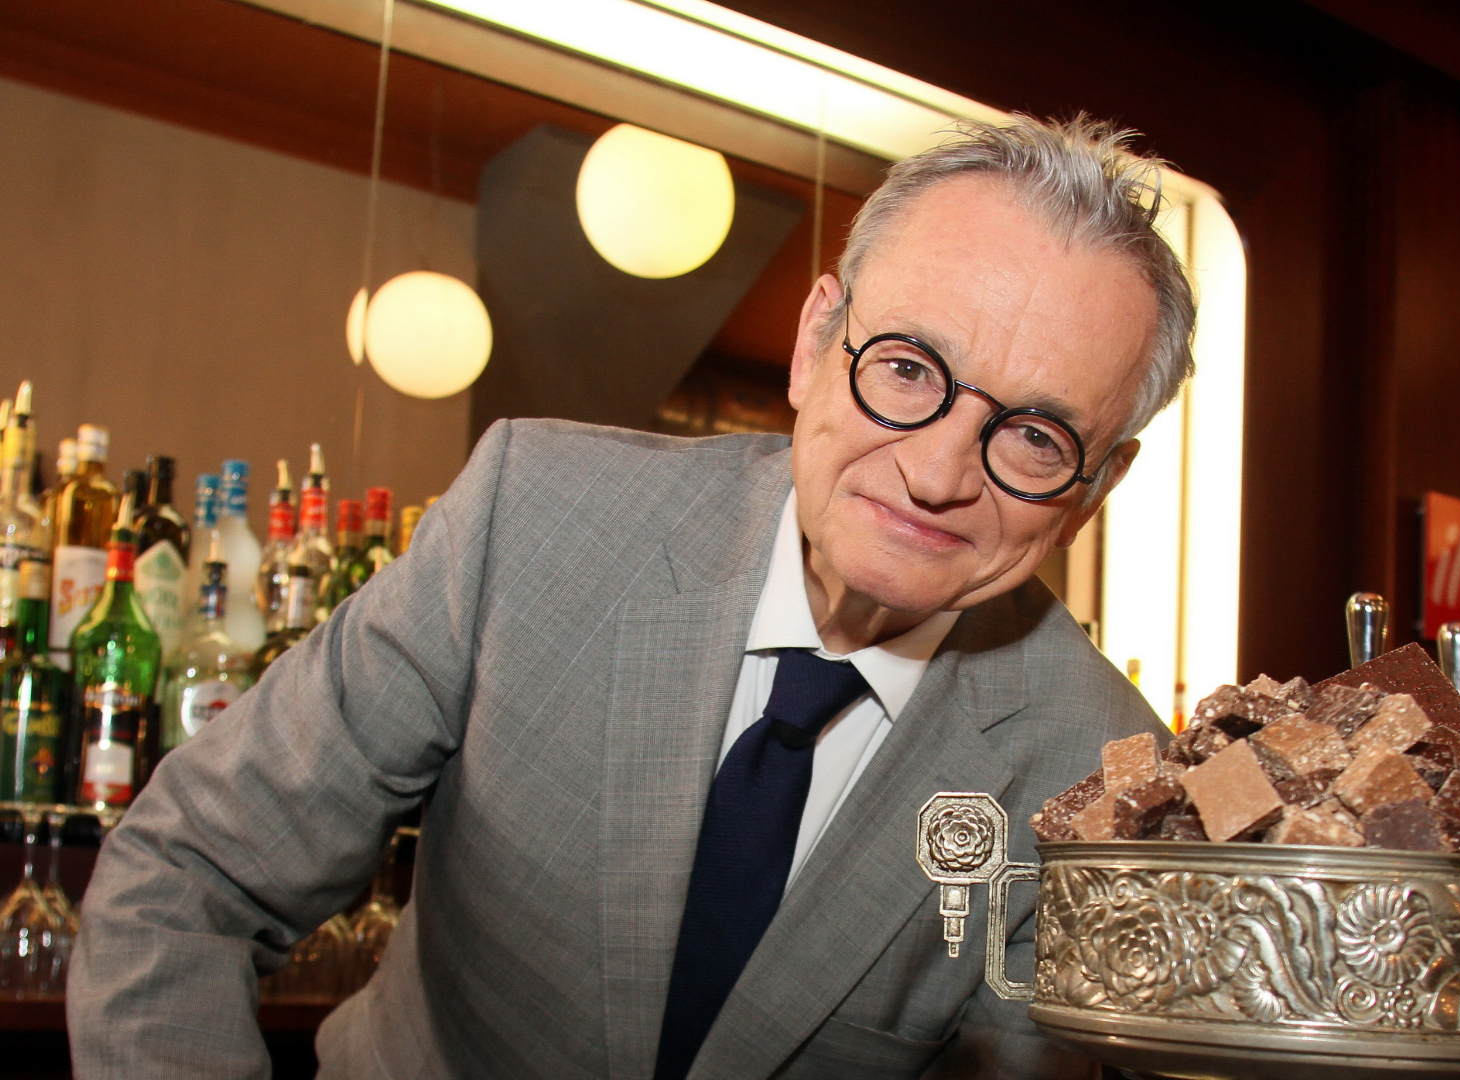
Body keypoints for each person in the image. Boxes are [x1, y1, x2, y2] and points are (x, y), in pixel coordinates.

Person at [69, 114, 1195, 1079]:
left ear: (1097, 488)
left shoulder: (1105, 783)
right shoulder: (537, 515)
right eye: (905, 369)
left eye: (1035, 435)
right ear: (814, 343)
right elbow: (190, 875)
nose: (939, 474)